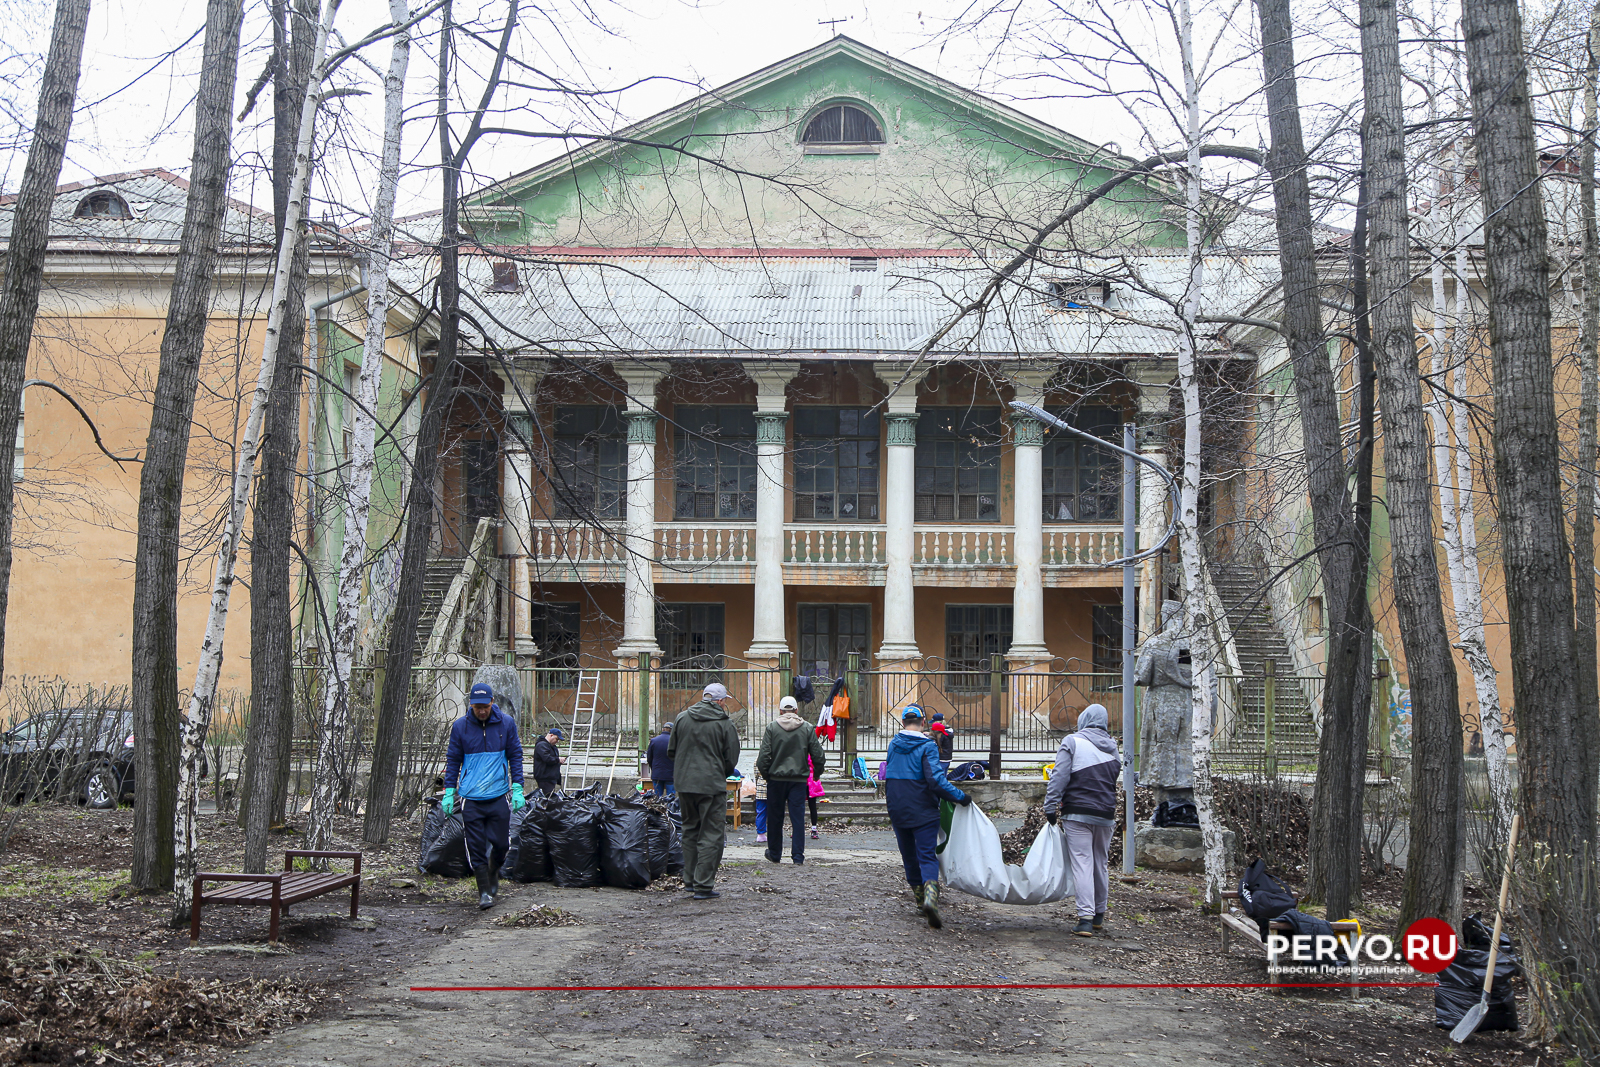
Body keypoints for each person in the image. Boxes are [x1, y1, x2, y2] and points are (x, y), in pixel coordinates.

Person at [884, 704, 970, 928]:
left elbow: (890, 775)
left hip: (897, 806)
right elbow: (935, 780)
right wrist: (960, 796)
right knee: (926, 855)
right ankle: (931, 896)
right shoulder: (928, 746)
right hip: (922, 806)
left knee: (908, 855)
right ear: (923, 722)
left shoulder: (893, 744)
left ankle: (920, 900)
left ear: (903, 723)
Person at [441, 682, 525, 910]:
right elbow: (453, 759)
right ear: (471, 705)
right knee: (476, 845)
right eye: (477, 707)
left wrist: (517, 787)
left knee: (501, 845)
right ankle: (484, 891)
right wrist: (449, 792)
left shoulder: (506, 724)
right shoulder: (461, 727)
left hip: (498, 795)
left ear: (492, 703)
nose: (481, 711)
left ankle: (493, 870)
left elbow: (515, 755)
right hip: (471, 797)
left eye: (485, 706)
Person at [1042, 703, 1122, 936]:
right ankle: (1098, 915)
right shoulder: (1113, 748)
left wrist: (1050, 805)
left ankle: (1085, 918)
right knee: (1100, 862)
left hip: (1077, 812)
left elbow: (1059, 777)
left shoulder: (1072, 742)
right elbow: (1112, 777)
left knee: (1082, 862)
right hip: (1106, 813)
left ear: (1084, 719)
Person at [668, 682, 742, 899]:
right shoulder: (724, 723)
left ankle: (689, 880)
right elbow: (731, 759)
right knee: (711, 834)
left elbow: (672, 750)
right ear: (719, 701)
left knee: (689, 830)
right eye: (724, 701)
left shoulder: (682, 718)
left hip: (685, 784)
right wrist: (720, 770)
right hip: (711, 785)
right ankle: (703, 885)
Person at [755, 695, 826, 865]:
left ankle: (774, 853)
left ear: (780, 710)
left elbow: (763, 758)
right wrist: (816, 773)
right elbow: (819, 756)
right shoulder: (807, 728)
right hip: (798, 781)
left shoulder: (772, 728)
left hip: (776, 780)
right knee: (797, 818)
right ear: (796, 710)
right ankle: (798, 856)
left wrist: (767, 775)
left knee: (775, 818)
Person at [533, 727, 564, 795]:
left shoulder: (551, 746)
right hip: (545, 777)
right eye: (556, 739)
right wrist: (558, 760)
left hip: (549, 777)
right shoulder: (542, 745)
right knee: (547, 797)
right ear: (551, 735)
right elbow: (547, 758)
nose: (557, 741)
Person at [646, 722, 675, 796]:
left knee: (657, 798)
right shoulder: (674, 742)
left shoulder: (654, 741)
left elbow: (649, 758)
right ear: (672, 730)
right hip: (671, 775)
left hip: (657, 773)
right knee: (670, 798)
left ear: (662, 729)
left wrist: (654, 768)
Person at [807, 755, 824, 839]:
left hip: (807, 780)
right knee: (812, 806)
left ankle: (813, 828)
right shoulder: (813, 753)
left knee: (811, 805)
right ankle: (814, 829)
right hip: (811, 780)